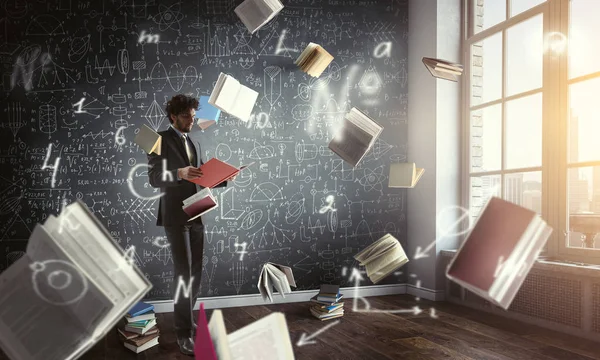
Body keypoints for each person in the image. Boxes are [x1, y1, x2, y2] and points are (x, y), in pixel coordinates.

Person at [147, 94, 231, 355]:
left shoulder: (196, 140)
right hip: (174, 215)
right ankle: (184, 333)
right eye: (187, 116)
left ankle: (189, 322)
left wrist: (224, 177)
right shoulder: (154, 138)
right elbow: (153, 178)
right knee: (183, 274)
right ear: (173, 116)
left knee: (195, 274)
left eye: (194, 116)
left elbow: (202, 174)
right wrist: (178, 173)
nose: (192, 120)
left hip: (198, 211)